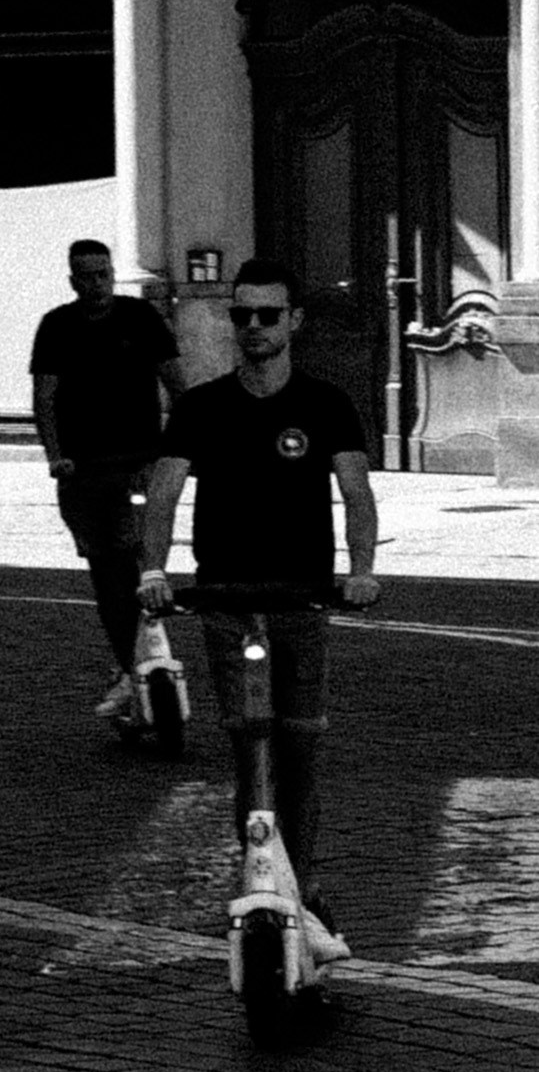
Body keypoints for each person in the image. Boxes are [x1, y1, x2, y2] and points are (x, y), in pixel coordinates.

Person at [140, 259, 379, 962]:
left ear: (293, 321)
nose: (252, 327)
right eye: (240, 314)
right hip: (227, 600)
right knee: (251, 745)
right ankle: (260, 880)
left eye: (267, 315)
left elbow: (356, 494)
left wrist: (360, 572)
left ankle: (304, 891)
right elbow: (163, 494)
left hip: (301, 600)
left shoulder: (326, 403)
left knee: (299, 747)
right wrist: (153, 572)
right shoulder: (200, 407)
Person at [29, 237, 185, 737]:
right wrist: (56, 457)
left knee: (143, 560)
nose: (97, 283)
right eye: (87, 275)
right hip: (86, 471)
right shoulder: (57, 326)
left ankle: (147, 661)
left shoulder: (140, 318)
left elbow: (175, 383)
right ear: (72, 280)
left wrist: (181, 446)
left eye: (104, 273)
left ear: (113, 274)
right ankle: (128, 667)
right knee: (108, 573)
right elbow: (45, 397)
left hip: (141, 462)